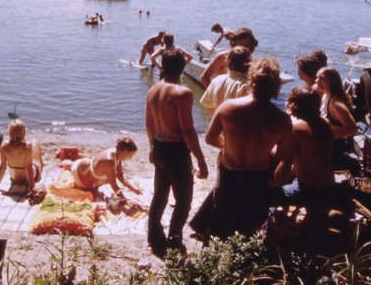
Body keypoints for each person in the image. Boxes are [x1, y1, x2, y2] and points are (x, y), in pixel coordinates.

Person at [192, 57, 292, 241]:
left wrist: (228, 144)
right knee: (250, 222)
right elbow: (283, 154)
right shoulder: (282, 119)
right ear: (275, 85)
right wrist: (266, 149)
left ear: (251, 79)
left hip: (230, 172)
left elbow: (210, 138)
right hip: (258, 176)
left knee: (222, 217)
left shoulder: (228, 107)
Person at [146, 49, 208, 257]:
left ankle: (154, 236)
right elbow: (187, 130)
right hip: (176, 152)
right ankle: (174, 240)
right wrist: (200, 159)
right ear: (182, 68)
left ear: (162, 66)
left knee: (160, 195)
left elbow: (149, 123)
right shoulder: (183, 93)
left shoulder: (153, 90)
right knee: (183, 200)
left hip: (160, 146)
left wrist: (151, 147)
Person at [272, 88, 339, 208]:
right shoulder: (325, 122)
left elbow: (282, 161)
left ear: (293, 105)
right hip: (329, 185)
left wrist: (274, 186)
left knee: (271, 196)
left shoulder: (297, 129)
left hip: (309, 189)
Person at [314, 67, 360, 175]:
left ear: (332, 82)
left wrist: (327, 132)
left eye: (322, 78)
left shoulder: (336, 104)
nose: (317, 81)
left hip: (334, 149)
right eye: (317, 77)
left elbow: (353, 129)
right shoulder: (326, 95)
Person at [63, 137, 141, 198]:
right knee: (108, 179)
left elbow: (120, 176)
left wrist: (133, 189)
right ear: (125, 152)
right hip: (81, 180)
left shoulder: (116, 151)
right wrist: (124, 200)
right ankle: (67, 164)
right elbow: (114, 185)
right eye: (131, 155)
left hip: (80, 164)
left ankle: (68, 161)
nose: (131, 158)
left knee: (109, 175)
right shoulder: (110, 161)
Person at [0, 120, 44, 197]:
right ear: (23, 132)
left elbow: (2, 167)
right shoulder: (28, 146)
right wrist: (32, 187)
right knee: (35, 142)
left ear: (10, 132)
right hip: (28, 177)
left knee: (30, 156)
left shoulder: (4, 145)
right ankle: (42, 164)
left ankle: (41, 164)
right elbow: (28, 168)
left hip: (15, 177)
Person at [199, 46, 251, 116]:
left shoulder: (216, 80)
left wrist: (218, 118)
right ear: (249, 64)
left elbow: (205, 103)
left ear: (228, 62)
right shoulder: (248, 85)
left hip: (219, 124)